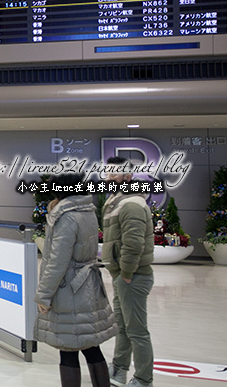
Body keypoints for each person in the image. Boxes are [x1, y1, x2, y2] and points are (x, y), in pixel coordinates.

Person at [35, 172, 118, 387]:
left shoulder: (67, 216)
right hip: (88, 285)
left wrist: (43, 295)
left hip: (68, 289)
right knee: (91, 345)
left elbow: (57, 261)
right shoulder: (87, 211)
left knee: (68, 348)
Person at [102, 156, 155, 387]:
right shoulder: (116, 200)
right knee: (122, 327)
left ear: (128, 177)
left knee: (137, 331)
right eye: (107, 174)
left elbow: (133, 244)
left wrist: (126, 273)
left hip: (132, 276)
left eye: (114, 174)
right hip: (121, 275)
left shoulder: (131, 203)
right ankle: (119, 369)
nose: (109, 178)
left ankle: (144, 380)